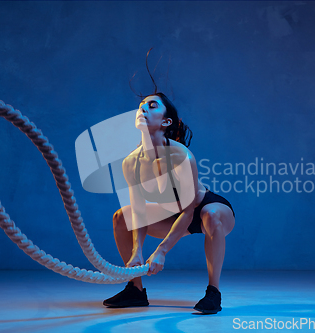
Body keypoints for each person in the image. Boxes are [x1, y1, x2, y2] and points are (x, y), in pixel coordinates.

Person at [103, 61, 235, 315]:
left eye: (152, 105)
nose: (143, 108)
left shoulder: (181, 157)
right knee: (122, 217)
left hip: (201, 208)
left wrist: (161, 250)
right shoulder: (131, 163)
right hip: (172, 215)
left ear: (165, 122)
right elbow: (138, 212)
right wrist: (137, 254)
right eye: (141, 105)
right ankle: (136, 290)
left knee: (211, 216)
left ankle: (213, 293)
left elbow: (188, 211)